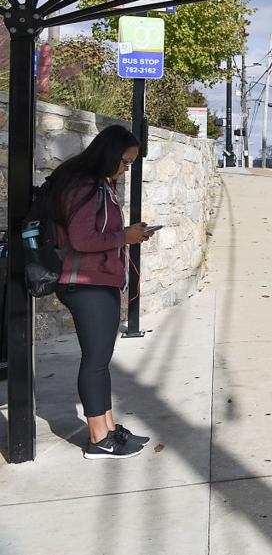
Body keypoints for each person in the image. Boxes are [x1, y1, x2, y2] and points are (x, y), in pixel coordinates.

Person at [44, 124, 157, 459]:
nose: (127, 168)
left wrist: (128, 233)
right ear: (109, 155)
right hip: (85, 282)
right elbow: (83, 239)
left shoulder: (99, 184)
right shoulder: (85, 186)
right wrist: (126, 237)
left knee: (101, 361)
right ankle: (98, 439)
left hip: (98, 281)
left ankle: (107, 427)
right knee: (95, 361)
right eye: (125, 162)